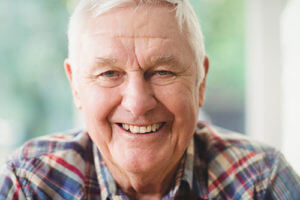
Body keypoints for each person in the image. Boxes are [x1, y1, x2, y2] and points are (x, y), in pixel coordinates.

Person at [0, 0, 299, 199]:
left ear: (200, 82)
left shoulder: (262, 181)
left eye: (163, 71)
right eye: (108, 73)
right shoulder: (30, 183)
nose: (138, 103)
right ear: (75, 86)